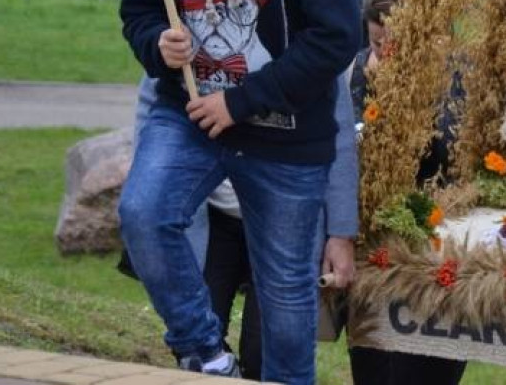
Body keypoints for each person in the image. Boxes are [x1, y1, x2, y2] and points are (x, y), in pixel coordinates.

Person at [117, 0, 361, 383]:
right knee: (144, 212)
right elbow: (138, 12)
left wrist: (244, 100)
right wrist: (158, 44)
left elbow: (337, 38)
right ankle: (204, 351)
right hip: (190, 115)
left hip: (284, 134)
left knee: (284, 297)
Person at [128, 74, 359, 381]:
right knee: (199, 353)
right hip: (213, 217)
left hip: (283, 218)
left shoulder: (303, 37)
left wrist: (341, 233)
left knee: (265, 349)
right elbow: (152, 110)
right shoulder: (192, 32)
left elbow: (339, 135)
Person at [347, 0, 466, 385]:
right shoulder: (358, 74)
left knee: (430, 370)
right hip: (376, 249)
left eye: (394, 43)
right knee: (375, 368)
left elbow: (455, 159)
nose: (384, 54)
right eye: (378, 43)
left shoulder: (454, 77)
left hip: (435, 247)